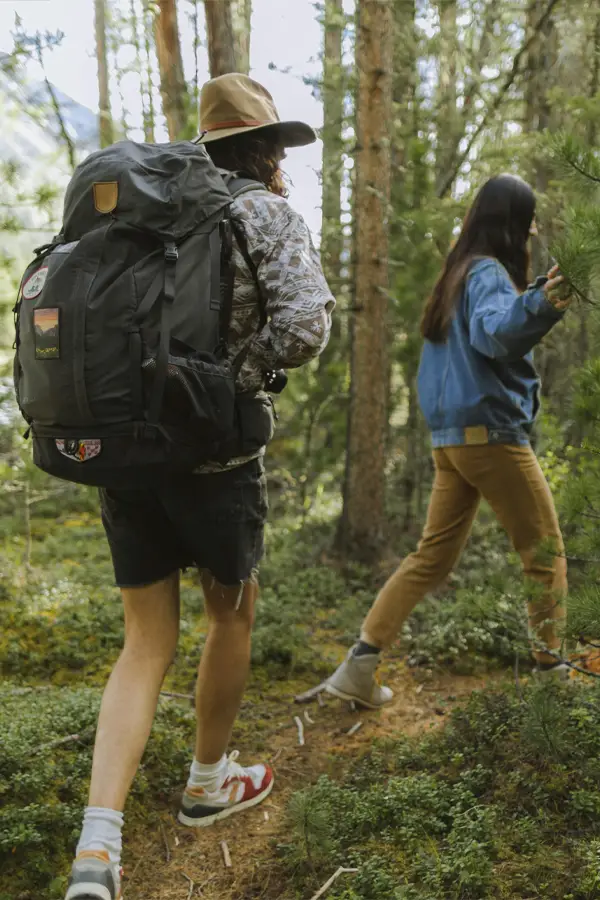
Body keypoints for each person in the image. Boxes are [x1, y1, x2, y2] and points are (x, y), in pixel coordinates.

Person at [65, 73, 335, 900]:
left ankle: (97, 849)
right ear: (267, 147)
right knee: (231, 613)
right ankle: (208, 782)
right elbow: (306, 326)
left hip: (125, 453)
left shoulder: (140, 215)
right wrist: (229, 379)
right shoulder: (262, 214)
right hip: (216, 462)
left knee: (144, 643)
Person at [323, 173, 572, 710]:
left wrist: (534, 299)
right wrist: (542, 302)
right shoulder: (487, 273)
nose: (533, 229)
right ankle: (553, 676)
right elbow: (494, 333)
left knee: (430, 558)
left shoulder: (456, 274)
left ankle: (359, 665)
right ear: (511, 221)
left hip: (453, 442)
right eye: (529, 218)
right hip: (490, 437)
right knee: (545, 551)